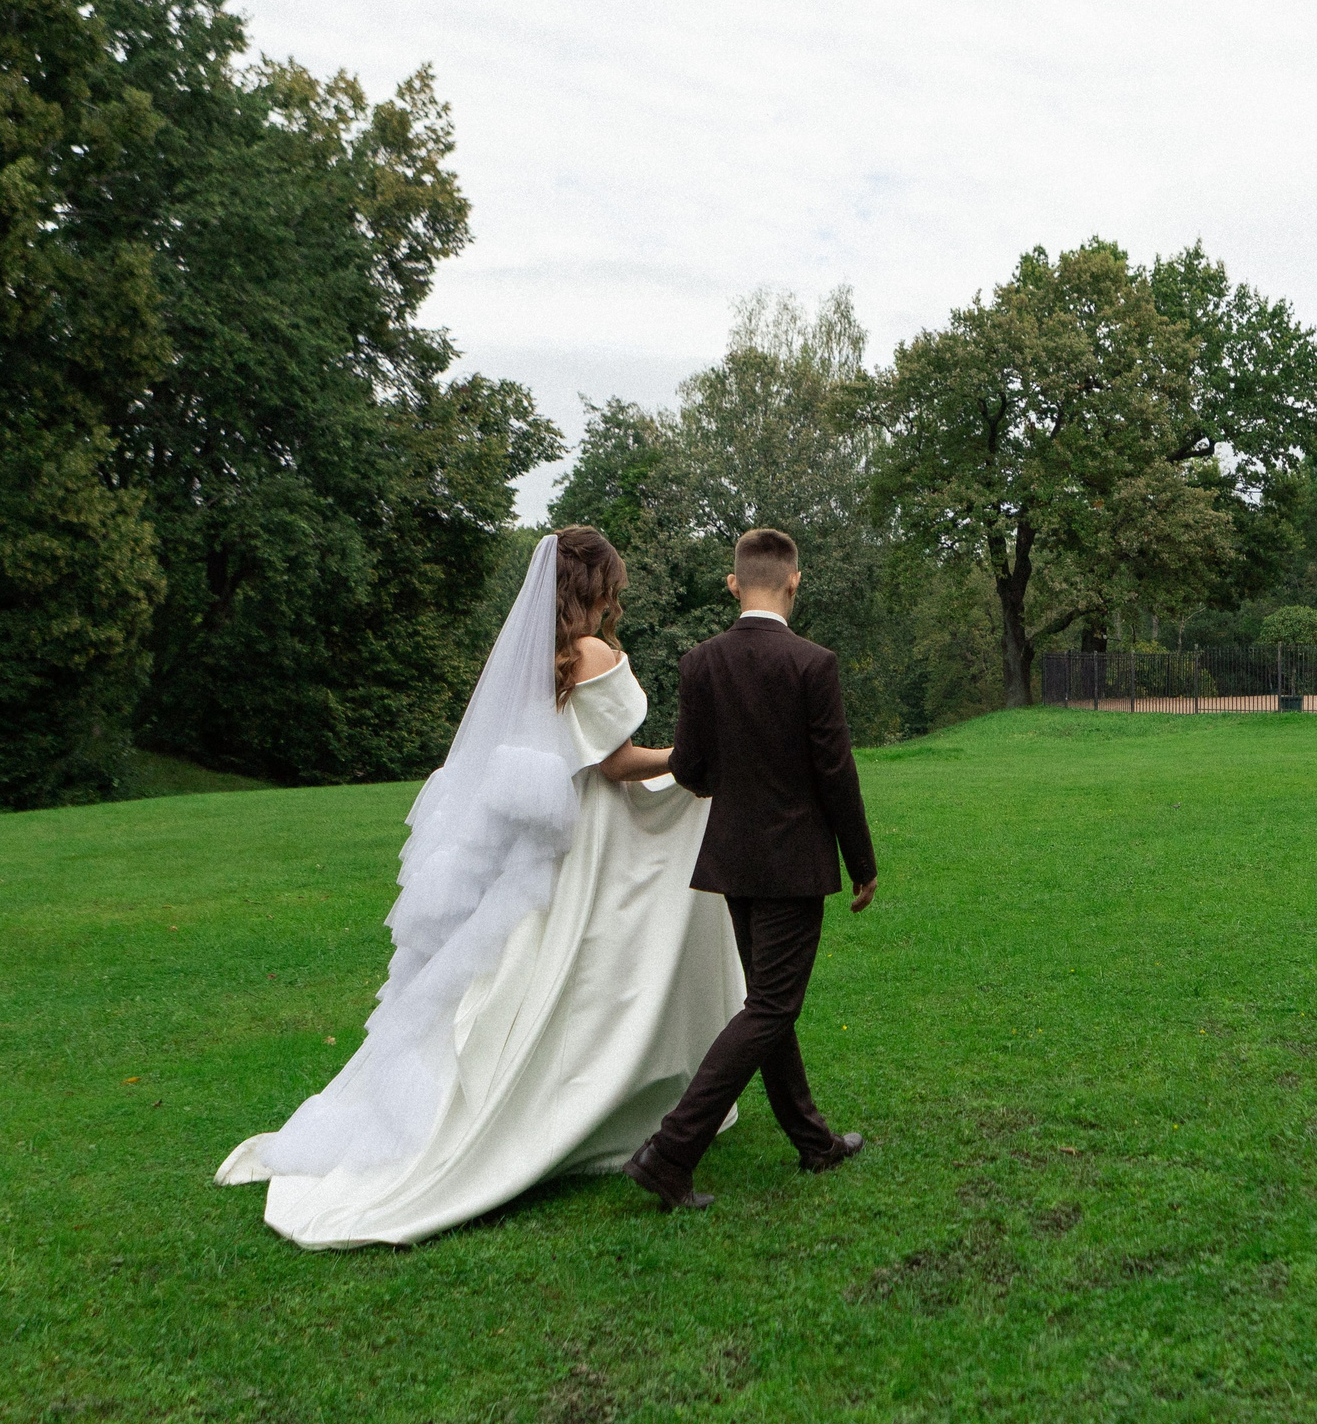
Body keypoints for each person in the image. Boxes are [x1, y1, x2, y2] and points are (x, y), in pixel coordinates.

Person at [216, 528, 748, 1248]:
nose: (615, 602)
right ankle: (606, 1102)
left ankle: (605, 1097)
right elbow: (618, 763)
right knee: (598, 963)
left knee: (548, 966)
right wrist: (692, 759)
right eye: (613, 589)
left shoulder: (541, 658)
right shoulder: (592, 653)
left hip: (560, 832)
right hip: (592, 830)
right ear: (595, 589)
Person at [622, 527, 877, 1213]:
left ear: (735, 584)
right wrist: (863, 863)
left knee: (769, 1004)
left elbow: (690, 769)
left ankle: (813, 1142)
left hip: (734, 861)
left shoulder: (700, 661)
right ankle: (671, 1152)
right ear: (795, 581)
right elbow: (835, 772)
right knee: (771, 1006)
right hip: (794, 864)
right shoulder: (812, 664)